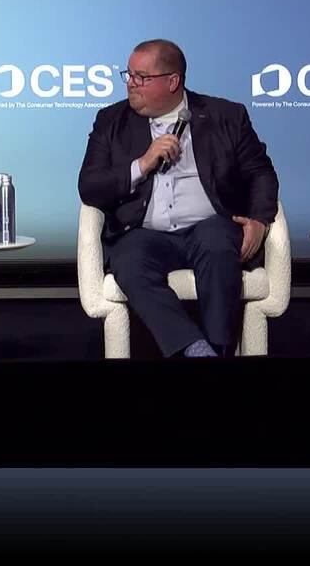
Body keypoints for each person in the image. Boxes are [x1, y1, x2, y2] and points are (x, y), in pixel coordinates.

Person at [78, 39, 279, 358]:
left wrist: (259, 221)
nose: (131, 83)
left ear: (172, 81)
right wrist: (142, 164)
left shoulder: (226, 116)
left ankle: (219, 348)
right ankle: (196, 349)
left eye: (141, 77)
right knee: (128, 260)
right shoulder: (111, 121)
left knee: (216, 243)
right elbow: (89, 186)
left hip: (209, 226)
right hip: (144, 233)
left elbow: (260, 173)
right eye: (129, 74)